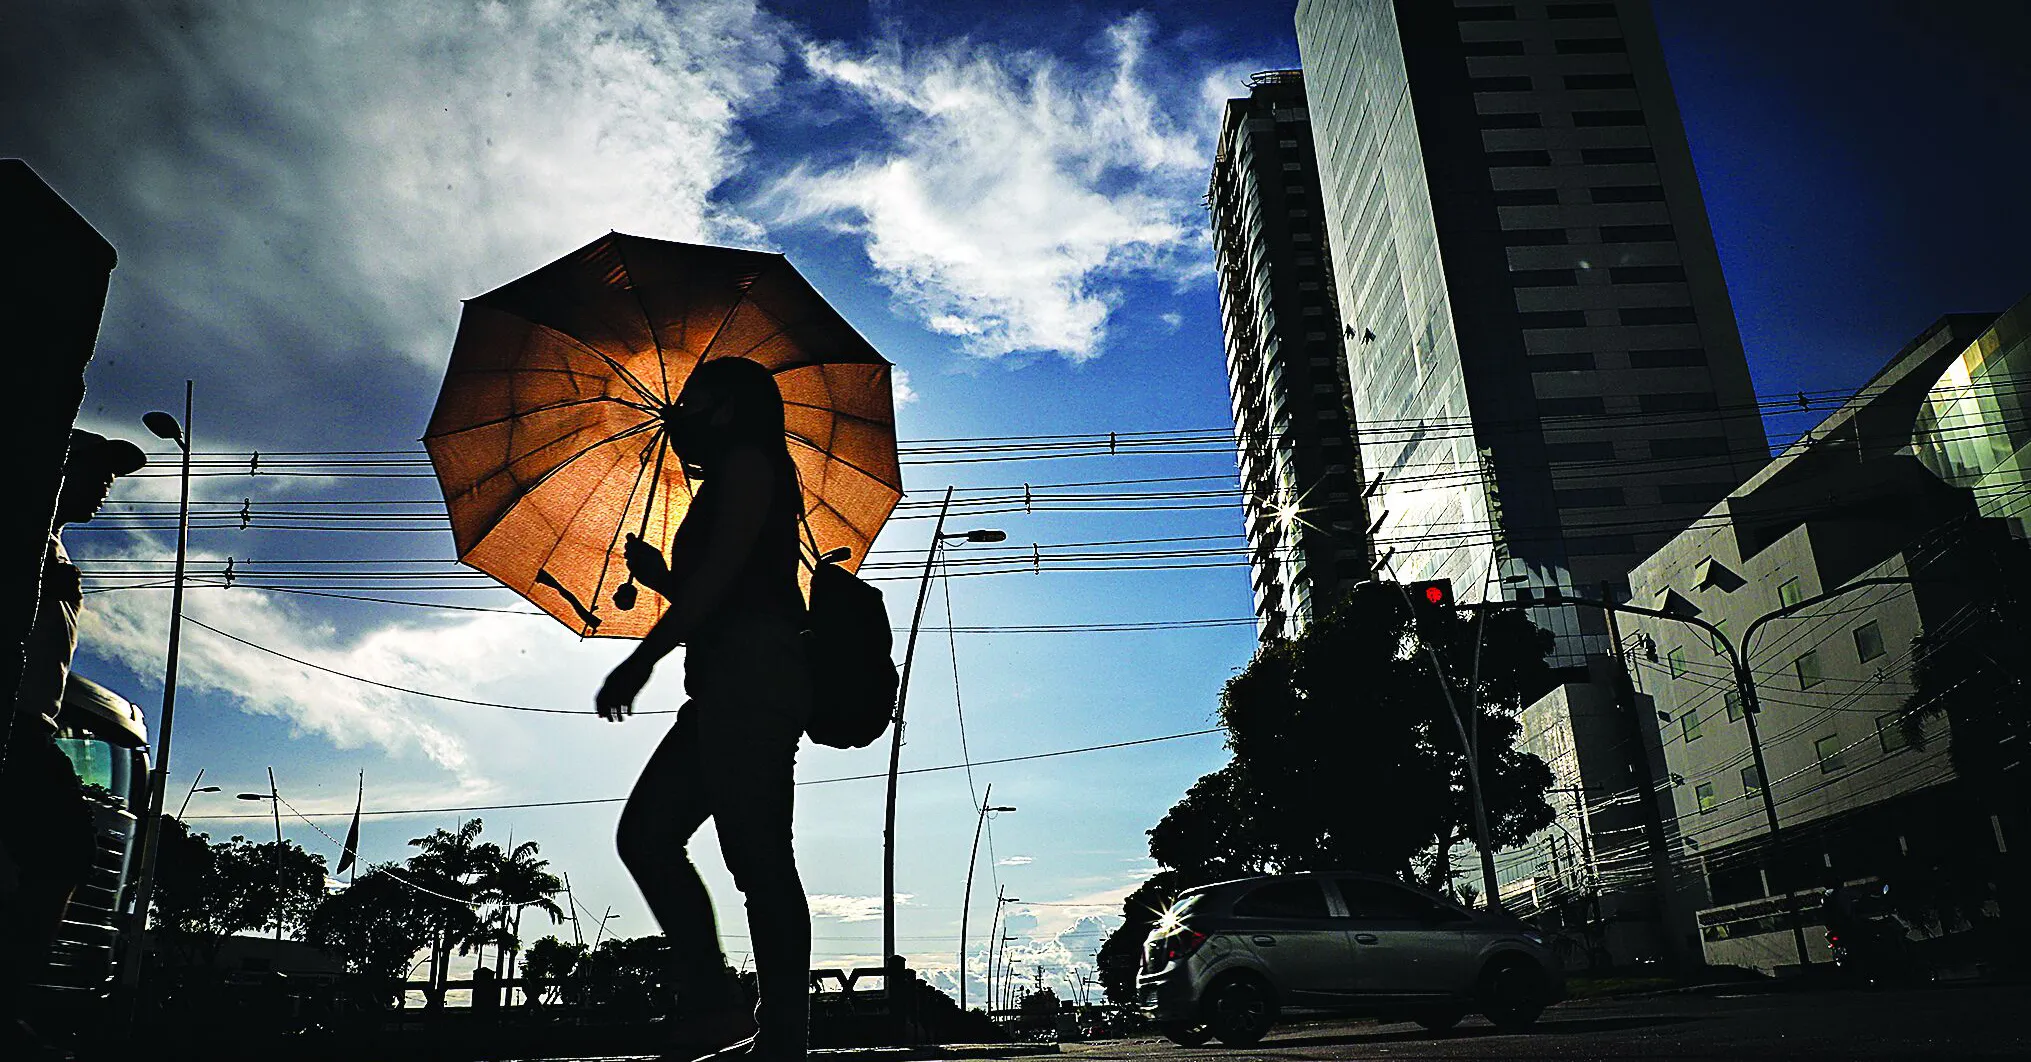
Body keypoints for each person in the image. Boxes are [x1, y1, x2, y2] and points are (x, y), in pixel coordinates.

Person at [597, 358, 813, 1062]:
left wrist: (641, 657)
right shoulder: (728, 477)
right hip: (721, 687)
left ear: (729, 405)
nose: (683, 409)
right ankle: (717, 1003)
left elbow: (722, 583)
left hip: (755, 684)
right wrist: (663, 580)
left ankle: (778, 1032)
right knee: (649, 836)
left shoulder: (751, 465)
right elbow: (721, 583)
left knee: (756, 861)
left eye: (695, 398)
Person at [0, 429, 145, 1060]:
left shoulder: (51, 545)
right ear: (61, 469)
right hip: (14, 726)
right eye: (99, 473)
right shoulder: (25, 532)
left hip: (32, 725)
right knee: (64, 850)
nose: (105, 490)